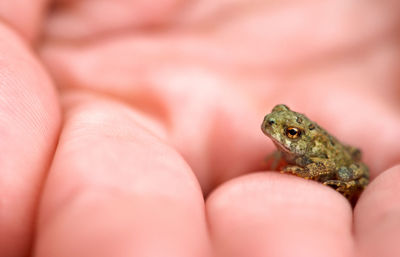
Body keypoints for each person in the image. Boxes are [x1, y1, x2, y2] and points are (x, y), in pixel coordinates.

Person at [1, 1, 400, 256]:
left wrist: (301, 169)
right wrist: (281, 156)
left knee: (352, 174)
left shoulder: (313, 152)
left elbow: (329, 164)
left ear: (300, 137)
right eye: (279, 122)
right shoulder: (287, 138)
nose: (274, 128)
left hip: (343, 161)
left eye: (288, 133)